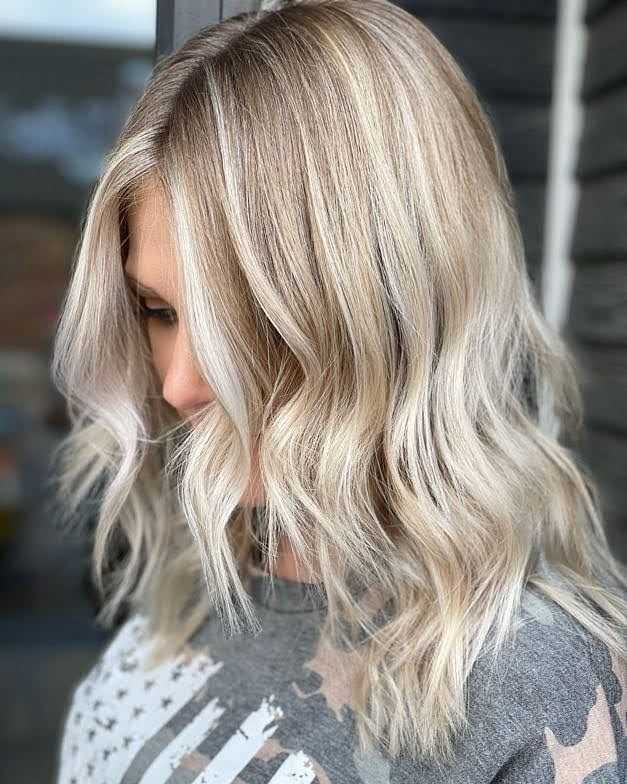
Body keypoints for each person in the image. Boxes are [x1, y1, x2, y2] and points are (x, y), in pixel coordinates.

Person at [50, 0, 627, 781]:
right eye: (158, 312)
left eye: (245, 323)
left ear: (389, 311)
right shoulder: (197, 569)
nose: (180, 384)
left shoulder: (529, 681)